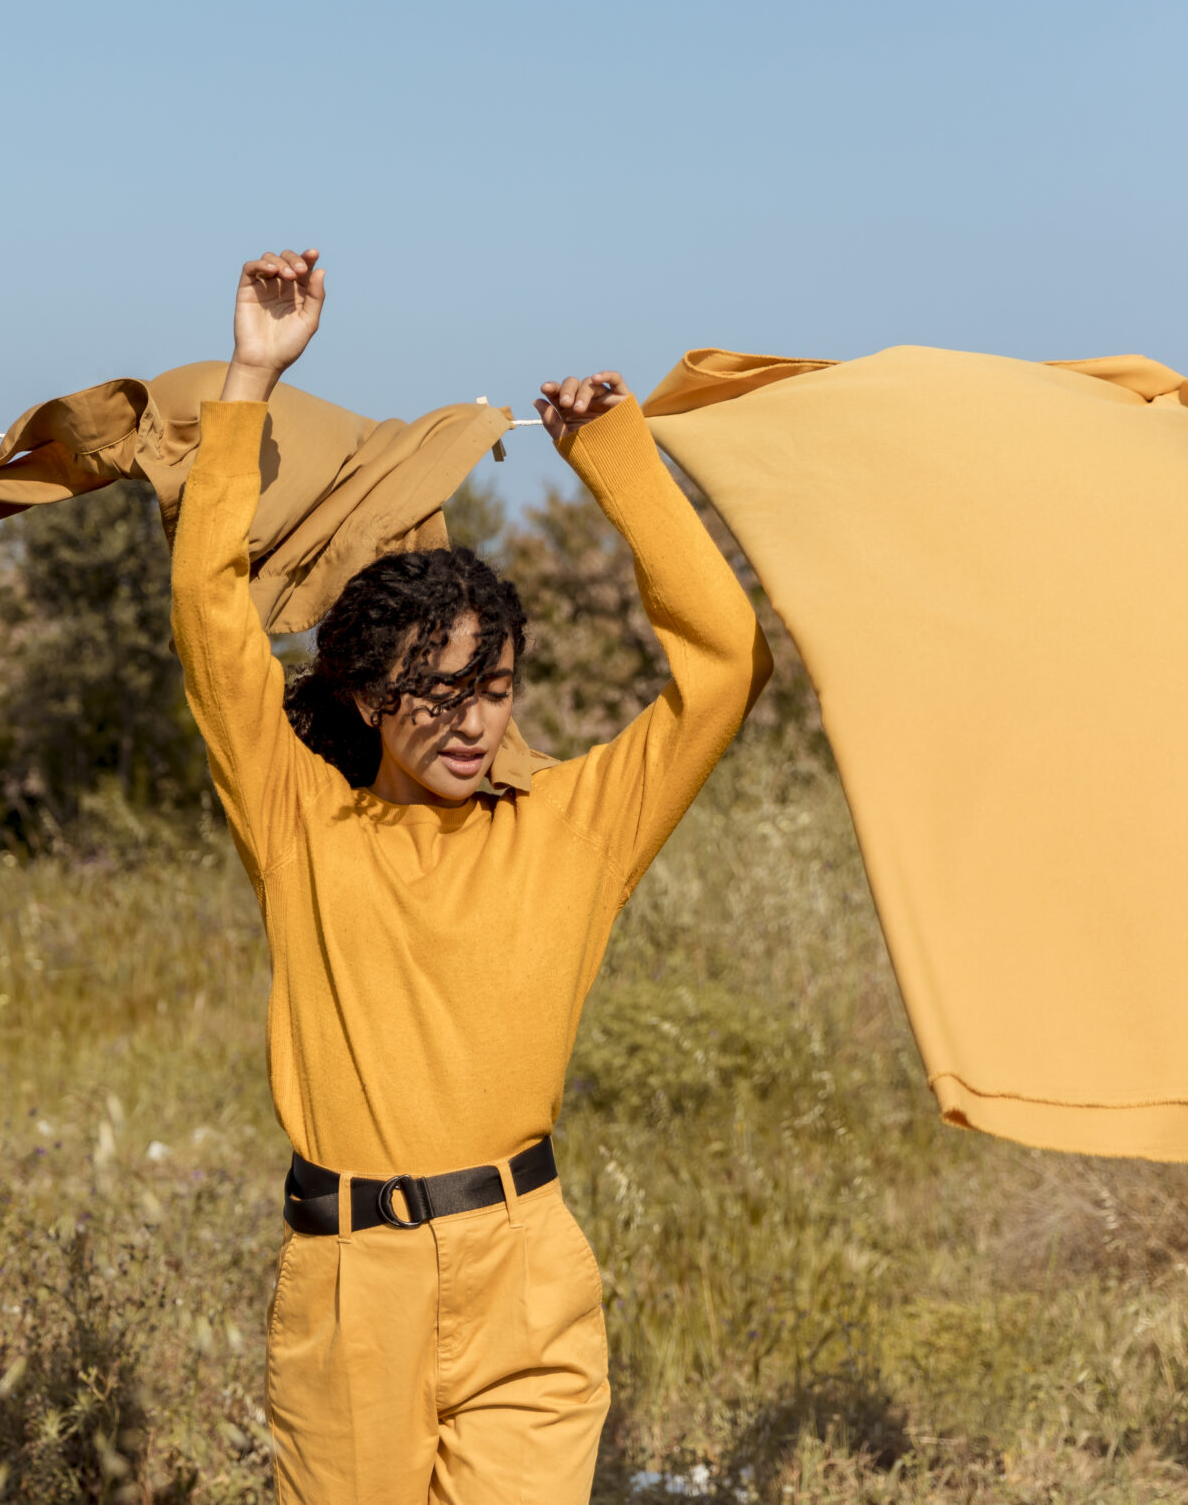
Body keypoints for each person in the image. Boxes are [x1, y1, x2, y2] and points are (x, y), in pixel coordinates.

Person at [174, 250, 772, 1501]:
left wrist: (617, 461)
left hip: (526, 1271)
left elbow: (724, 668)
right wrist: (251, 378)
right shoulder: (302, 823)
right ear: (362, 696)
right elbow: (213, 623)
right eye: (435, 696)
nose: (471, 725)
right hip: (351, 1292)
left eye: (492, 691)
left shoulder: (574, 823)